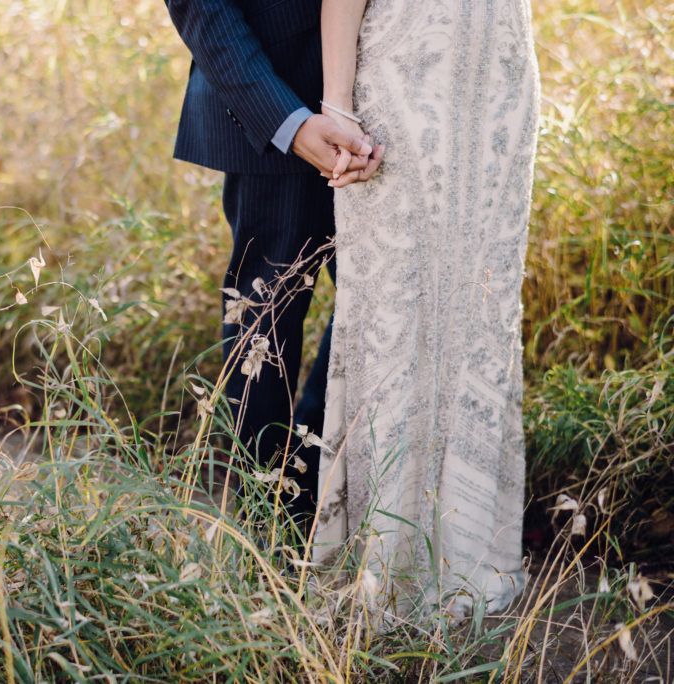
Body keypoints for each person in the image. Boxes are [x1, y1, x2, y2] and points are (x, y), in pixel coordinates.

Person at [311, 0, 539, 620]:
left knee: (481, 309)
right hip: (403, 74)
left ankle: (467, 552)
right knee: (395, 305)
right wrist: (337, 102)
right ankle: (379, 559)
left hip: (501, 77)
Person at [164, 0, 384, 547]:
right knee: (265, 320)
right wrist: (288, 122)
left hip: (402, 95)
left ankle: (315, 474)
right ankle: (266, 535)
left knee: (390, 296)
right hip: (274, 101)